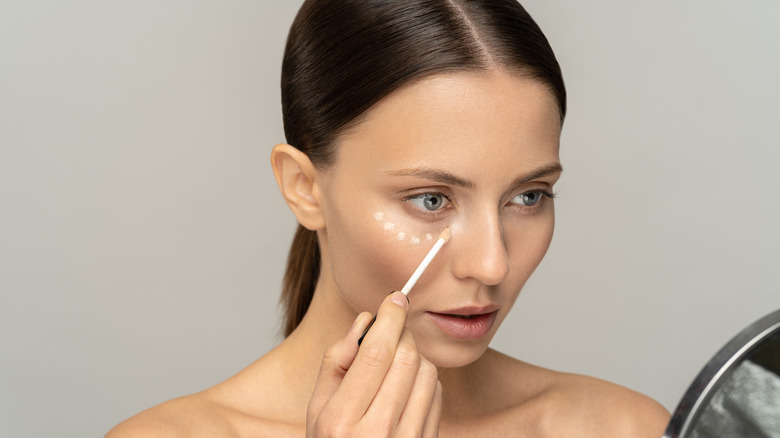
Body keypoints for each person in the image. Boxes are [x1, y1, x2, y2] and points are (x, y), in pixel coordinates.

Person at [107, 0, 670, 436]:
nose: (491, 264)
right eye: (431, 200)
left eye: (528, 196)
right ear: (304, 188)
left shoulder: (627, 428)